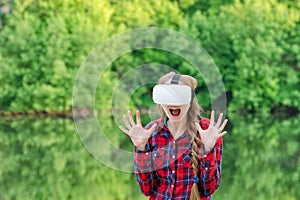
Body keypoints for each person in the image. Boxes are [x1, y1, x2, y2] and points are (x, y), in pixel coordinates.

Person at [119, 72, 228, 200]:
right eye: (167, 95)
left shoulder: (208, 131)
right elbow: (146, 189)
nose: (174, 101)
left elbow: (210, 188)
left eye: (180, 95)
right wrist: (141, 149)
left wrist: (208, 150)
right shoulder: (150, 132)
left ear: (190, 99)